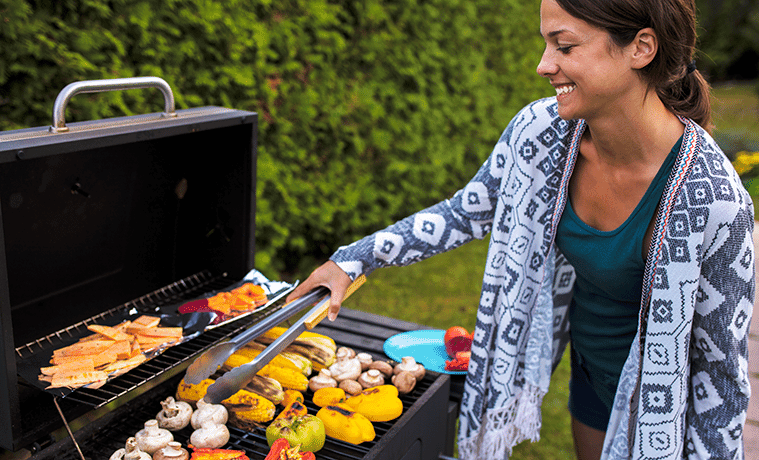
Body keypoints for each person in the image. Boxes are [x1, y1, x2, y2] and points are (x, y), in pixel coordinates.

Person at [285, 0, 754, 458]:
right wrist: (354, 258)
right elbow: (462, 213)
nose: (543, 65)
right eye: (545, 44)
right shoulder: (539, 133)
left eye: (564, 46)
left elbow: (722, 375)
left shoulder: (714, 200)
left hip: (666, 408)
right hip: (590, 380)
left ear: (641, 47)